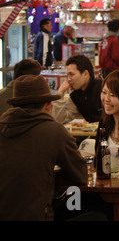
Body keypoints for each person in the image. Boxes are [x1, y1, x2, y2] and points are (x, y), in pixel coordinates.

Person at [0, 75, 87, 220]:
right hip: (36, 216)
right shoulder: (54, 132)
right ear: (48, 105)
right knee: (97, 215)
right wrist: (49, 176)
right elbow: (80, 176)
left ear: (14, 106)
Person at [52, 55, 103, 124]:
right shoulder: (75, 95)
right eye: (67, 75)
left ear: (85, 74)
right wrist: (60, 93)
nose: (68, 79)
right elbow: (60, 120)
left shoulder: (103, 89)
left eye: (71, 74)